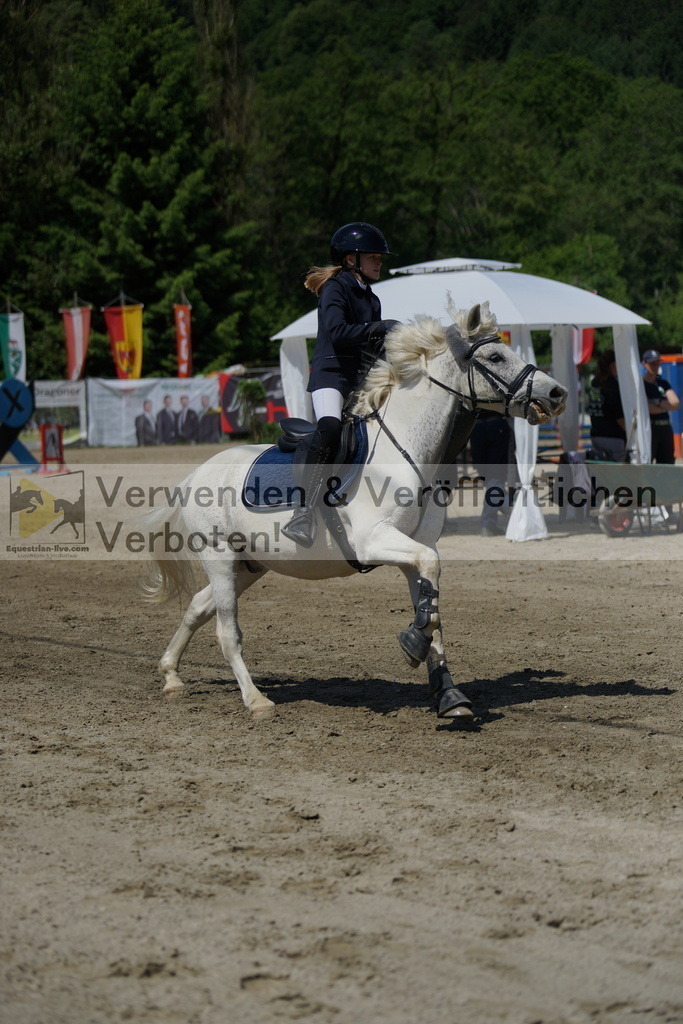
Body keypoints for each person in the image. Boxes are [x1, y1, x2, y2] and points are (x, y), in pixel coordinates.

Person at [281, 221, 400, 546]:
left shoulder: (371, 299)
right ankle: (302, 513)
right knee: (331, 428)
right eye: (374, 256)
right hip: (330, 375)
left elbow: (372, 347)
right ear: (351, 259)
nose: (379, 262)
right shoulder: (336, 288)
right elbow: (336, 332)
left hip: (360, 380)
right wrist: (380, 328)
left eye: (380, 257)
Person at [469, 411, 515, 536]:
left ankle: (509, 510)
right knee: (495, 480)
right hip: (496, 426)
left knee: (491, 481)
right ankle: (491, 522)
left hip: (476, 428)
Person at [586, 349, 627, 460]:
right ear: (613, 365)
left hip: (596, 433)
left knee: (603, 471)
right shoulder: (612, 384)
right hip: (613, 435)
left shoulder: (595, 381)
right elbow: (619, 416)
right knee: (616, 472)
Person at [642, 349, 680, 464]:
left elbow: (676, 404)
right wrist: (665, 405)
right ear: (644, 364)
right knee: (647, 462)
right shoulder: (641, 385)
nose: (655, 366)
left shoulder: (663, 383)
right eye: (652, 364)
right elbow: (647, 408)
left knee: (667, 464)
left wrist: (658, 403)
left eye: (658, 363)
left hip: (665, 428)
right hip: (650, 429)